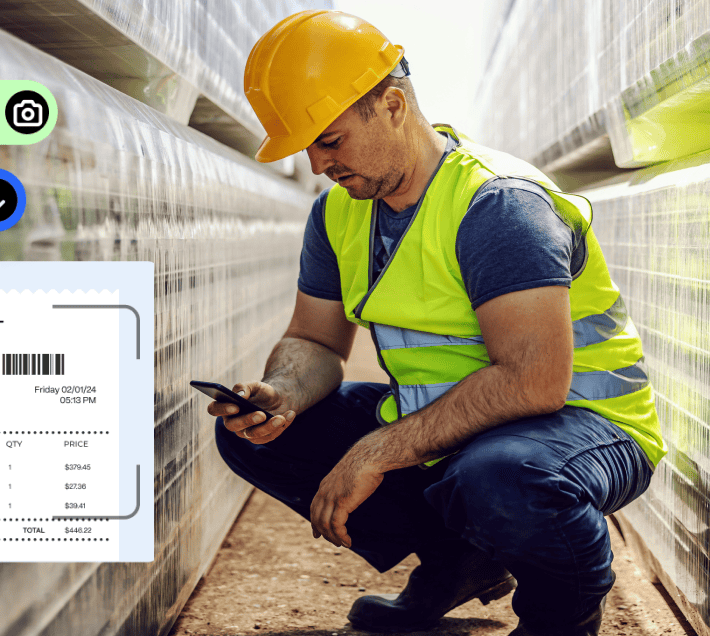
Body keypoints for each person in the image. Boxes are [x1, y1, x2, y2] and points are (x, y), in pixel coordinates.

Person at [209, 10, 665, 636]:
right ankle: (461, 560)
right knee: (260, 435)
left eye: (330, 140)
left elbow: (535, 382)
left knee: (504, 477)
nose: (317, 165)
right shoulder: (338, 215)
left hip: (580, 428)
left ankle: (563, 613)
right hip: (463, 428)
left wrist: (377, 450)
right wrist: (283, 393)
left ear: (392, 105)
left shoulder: (498, 206)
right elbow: (315, 339)